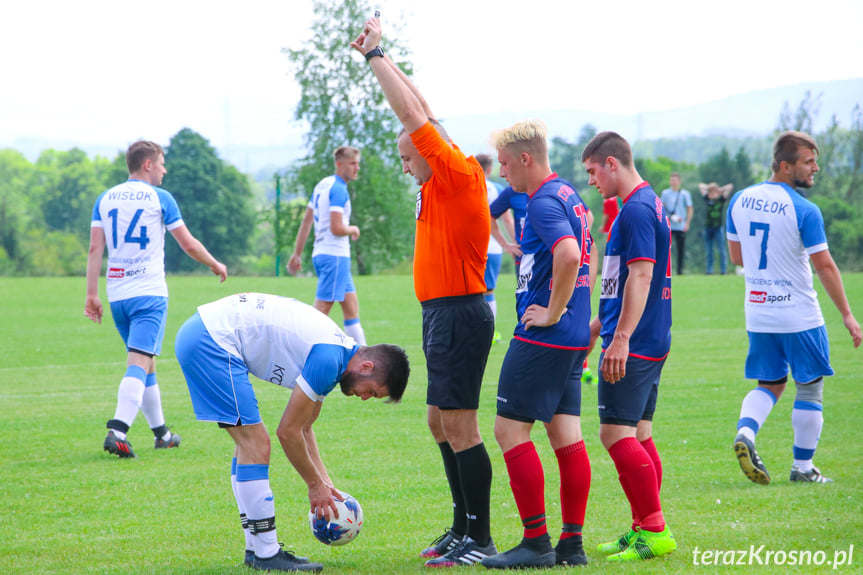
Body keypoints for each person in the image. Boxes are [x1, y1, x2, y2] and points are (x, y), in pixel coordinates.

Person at [352, 17, 497, 567]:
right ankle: (462, 526)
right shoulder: (444, 173)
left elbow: (414, 118)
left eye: (408, 156)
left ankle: (478, 538)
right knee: (438, 420)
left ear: (425, 153)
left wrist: (375, 57)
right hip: (442, 313)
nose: (406, 164)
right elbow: (426, 111)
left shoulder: (456, 176)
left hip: (460, 313)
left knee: (459, 424)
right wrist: (389, 61)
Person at [174, 292, 410, 572]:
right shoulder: (328, 359)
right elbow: (288, 432)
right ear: (366, 366)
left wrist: (326, 484)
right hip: (211, 340)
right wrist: (314, 487)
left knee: (248, 445)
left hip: (204, 333)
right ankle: (266, 554)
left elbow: (305, 428)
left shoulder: (336, 355)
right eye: (371, 391)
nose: (365, 397)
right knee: (256, 445)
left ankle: (257, 549)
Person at [480, 120, 593, 570]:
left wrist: (551, 309)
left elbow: (568, 254)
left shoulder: (544, 201)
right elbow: (588, 252)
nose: (503, 174)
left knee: (509, 430)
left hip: (544, 336)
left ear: (525, 159)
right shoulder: (569, 194)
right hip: (570, 340)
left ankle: (536, 542)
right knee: (566, 434)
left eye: (506, 165)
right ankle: (572, 544)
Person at [727, 131, 861, 485]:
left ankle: (746, 434)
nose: (816, 168)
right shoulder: (804, 209)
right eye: (808, 162)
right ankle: (803, 467)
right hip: (799, 314)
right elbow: (826, 266)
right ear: (785, 166)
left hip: (758, 312)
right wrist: (848, 314)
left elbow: (737, 257)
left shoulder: (739, 200)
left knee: (770, 383)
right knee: (810, 387)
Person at [85, 140, 227, 459]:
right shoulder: (160, 198)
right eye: (161, 163)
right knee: (138, 362)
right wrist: (215, 263)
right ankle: (118, 430)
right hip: (148, 294)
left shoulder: (104, 199)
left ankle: (162, 434)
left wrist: (91, 293)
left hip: (117, 295)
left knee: (146, 363)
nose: (165, 169)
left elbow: (96, 249)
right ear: (147, 164)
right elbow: (187, 244)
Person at [581, 131, 677, 562]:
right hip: (650, 336)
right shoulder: (647, 202)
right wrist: (599, 324)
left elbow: (641, 276)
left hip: (635, 341)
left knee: (614, 433)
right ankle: (643, 527)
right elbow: (626, 283)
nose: (592, 181)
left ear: (612, 163)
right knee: (640, 433)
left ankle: (654, 529)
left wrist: (618, 338)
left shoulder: (636, 210)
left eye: (592, 171)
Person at [288, 146, 367, 345]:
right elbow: (337, 228)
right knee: (320, 312)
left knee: (351, 308)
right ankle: (297, 349)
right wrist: (353, 229)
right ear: (339, 164)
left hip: (323, 254)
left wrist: (297, 254)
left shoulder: (323, 185)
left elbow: (306, 221)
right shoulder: (339, 189)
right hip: (335, 257)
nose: (357, 167)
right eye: (352, 163)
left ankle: (367, 358)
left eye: (358, 163)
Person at [476, 153, 518, 343]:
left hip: (471, 246)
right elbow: (507, 219)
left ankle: (475, 330)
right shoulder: (497, 189)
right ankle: (490, 331)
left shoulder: (467, 186)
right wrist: (513, 242)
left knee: (470, 293)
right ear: (490, 169)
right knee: (489, 291)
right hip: (492, 247)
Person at [660, 172, 692, 275]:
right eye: (671, 180)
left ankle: (680, 271)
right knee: (665, 248)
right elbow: (661, 207)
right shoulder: (665, 193)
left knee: (680, 249)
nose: (673, 182)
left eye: (675, 180)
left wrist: (687, 223)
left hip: (680, 225)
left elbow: (689, 209)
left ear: (679, 181)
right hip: (669, 225)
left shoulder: (684, 194)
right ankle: (665, 269)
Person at [698, 181, 733, 275]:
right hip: (708, 228)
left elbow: (730, 186)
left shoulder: (720, 200)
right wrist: (710, 187)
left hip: (718, 228)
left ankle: (723, 270)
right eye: (711, 192)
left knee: (721, 250)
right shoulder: (706, 199)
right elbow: (701, 186)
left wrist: (719, 190)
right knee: (709, 251)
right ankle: (709, 270)